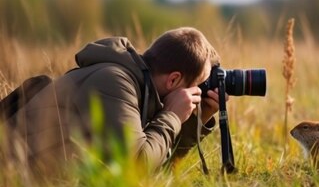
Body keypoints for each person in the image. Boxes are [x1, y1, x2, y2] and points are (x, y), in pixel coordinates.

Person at [9, 27, 225, 176]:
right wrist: (172, 116)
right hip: (11, 183)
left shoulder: (143, 94)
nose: (199, 93)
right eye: (198, 85)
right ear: (174, 79)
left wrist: (199, 117)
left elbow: (157, 168)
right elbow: (136, 166)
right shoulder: (115, 81)